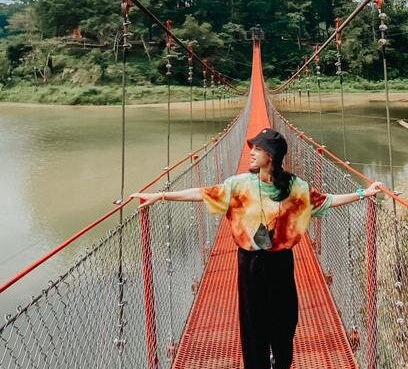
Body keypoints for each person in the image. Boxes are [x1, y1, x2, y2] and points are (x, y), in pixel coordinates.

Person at [132, 127, 382, 369]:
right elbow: (202, 193)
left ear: (270, 156)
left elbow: (326, 202)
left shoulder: (296, 187)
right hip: (249, 263)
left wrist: (363, 193)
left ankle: (281, 362)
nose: (250, 152)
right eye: (251, 148)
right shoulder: (238, 185)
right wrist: (160, 196)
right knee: (253, 326)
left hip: (281, 261)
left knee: (285, 322)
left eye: (257, 148)